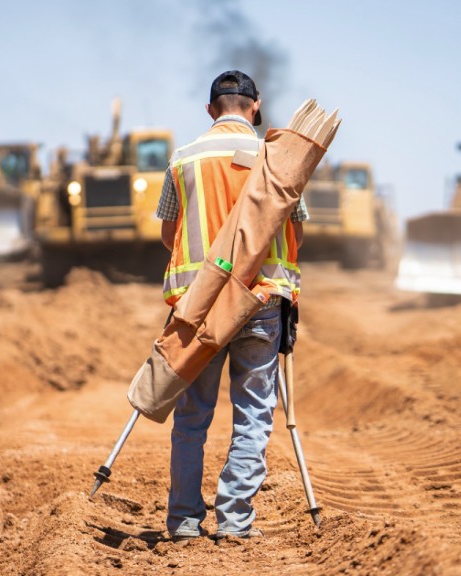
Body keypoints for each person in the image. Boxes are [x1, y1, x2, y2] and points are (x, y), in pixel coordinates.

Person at [155, 70, 308, 541]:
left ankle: (183, 520)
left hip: (198, 308)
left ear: (210, 110)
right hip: (260, 300)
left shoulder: (182, 161)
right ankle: (236, 521)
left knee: (192, 418)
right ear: (256, 106)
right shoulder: (279, 160)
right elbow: (297, 232)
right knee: (255, 414)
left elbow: (168, 234)